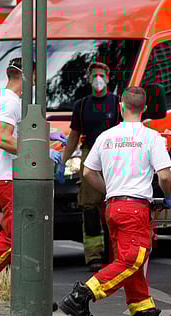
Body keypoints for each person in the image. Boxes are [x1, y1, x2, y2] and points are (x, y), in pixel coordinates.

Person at [58, 86, 171, 316]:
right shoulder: (151, 137)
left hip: (113, 207)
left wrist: (109, 189)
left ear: (121, 106)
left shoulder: (106, 137)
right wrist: (168, 197)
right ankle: (82, 295)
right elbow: (165, 175)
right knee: (132, 261)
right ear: (143, 108)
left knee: (129, 265)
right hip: (135, 207)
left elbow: (88, 173)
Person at [0, 57, 63, 315]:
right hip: (8, 178)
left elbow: (15, 134)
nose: (36, 82)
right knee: (19, 237)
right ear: (28, 76)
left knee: (23, 235)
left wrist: (47, 135)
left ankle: (34, 293)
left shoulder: (7, 101)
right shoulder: (9, 101)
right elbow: (3, 138)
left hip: (6, 177)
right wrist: (39, 151)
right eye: (35, 77)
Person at [56, 62, 123, 272]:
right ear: (88, 79)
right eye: (94, 75)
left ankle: (117, 254)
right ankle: (93, 256)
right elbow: (74, 136)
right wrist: (62, 161)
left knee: (117, 203)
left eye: (101, 74)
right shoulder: (82, 105)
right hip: (90, 155)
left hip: (115, 155)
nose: (98, 79)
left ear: (108, 77)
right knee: (89, 207)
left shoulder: (117, 103)